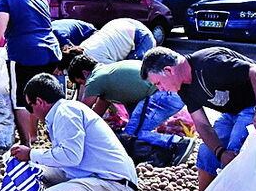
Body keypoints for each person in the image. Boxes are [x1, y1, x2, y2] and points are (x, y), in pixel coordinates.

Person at [9, 74, 137, 191]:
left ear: (40, 101)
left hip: (115, 187)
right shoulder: (65, 110)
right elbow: (68, 161)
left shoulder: (66, 113)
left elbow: (70, 156)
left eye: (30, 106)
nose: (31, 113)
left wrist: (31, 154)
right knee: (40, 174)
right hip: (108, 181)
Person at [140, 47, 256, 191]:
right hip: (234, 111)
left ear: (168, 70)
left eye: (158, 83)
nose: (160, 89)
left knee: (239, 156)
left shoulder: (210, 64)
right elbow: (202, 124)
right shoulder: (183, 87)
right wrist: (220, 152)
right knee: (207, 152)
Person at [66, 54, 196, 166]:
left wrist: (70, 133)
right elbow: (96, 114)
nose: (84, 86)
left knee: (133, 134)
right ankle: (167, 151)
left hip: (163, 94)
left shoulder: (95, 79)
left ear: (85, 73)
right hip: (169, 93)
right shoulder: (107, 74)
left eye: (81, 83)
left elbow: (82, 112)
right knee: (132, 132)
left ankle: (178, 143)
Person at [0, 0, 61, 144]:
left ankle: (26, 143)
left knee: (20, 99)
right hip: (50, 52)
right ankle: (44, 137)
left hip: (24, 53)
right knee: (42, 96)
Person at [57, 18, 156, 72]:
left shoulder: (95, 58)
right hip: (123, 23)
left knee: (135, 74)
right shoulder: (82, 47)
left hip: (141, 37)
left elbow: (117, 72)